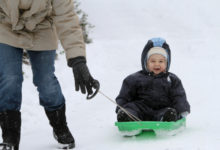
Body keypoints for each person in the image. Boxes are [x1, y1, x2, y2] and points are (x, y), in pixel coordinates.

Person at [0, 0, 99, 149]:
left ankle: (60, 126)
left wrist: (77, 59)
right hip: (5, 26)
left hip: (42, 27)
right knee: (9, 78)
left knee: (46, 81)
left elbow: (66, 17)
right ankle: (10, 136)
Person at [116, 37, 190, 122]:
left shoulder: (172, 79)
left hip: (162, 109)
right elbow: (125, 95)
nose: (157, 64)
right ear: (146, 62)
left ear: (167, 63)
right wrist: (121, 107)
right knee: (131, 108)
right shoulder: (135, 78)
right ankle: (128, 117)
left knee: (169, 111)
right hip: (141, 108)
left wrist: (182, 110)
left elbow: (179, 96)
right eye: (153, 61)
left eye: (161, 61)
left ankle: (166, 118)